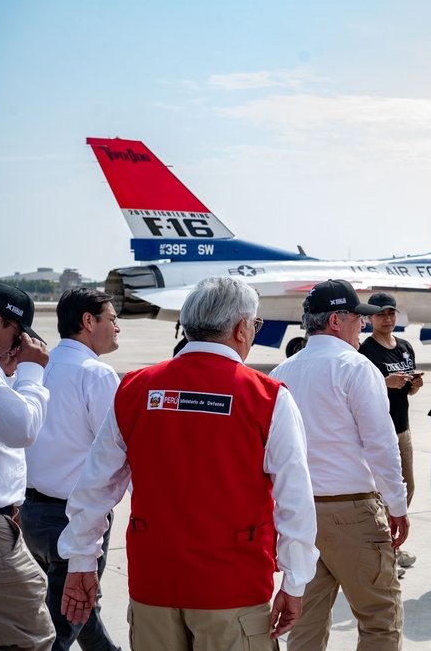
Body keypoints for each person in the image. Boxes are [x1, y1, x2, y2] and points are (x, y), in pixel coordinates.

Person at [59, 276, 318, 649]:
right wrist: (295, 582)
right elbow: (295, 499)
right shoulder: (267, 397)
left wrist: (82, 561)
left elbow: (95, 486)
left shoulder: (135, 388)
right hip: (233, 589)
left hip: (154, 585)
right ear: (242, 328)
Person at [270, 279, 409, 650]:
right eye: (356, 319)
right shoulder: (356, 367)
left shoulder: (280, 373)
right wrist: (397, 506)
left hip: (298, 514)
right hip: (353, 512)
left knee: (305, 624)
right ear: (335, 321)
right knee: (380, 619)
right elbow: (381, 445)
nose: (362, 325)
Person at [23, 288, 123, 651]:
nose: (117, 328)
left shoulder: (37, 367)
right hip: (73, 520)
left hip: (30, 514)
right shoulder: (96, 374)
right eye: (112, 319)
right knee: (64, 624)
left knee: (81, 608)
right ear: (88, 322)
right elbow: (116, 452)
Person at [0, 284, 54, 651]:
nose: (18, 348)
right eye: (17, 337)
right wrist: (31, 373)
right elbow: (22, 428)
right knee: (30, 639)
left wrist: (5, 371)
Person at [358, 292, 423, 569]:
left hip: (403, 429)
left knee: (405, 490)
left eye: (391, 313)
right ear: (370, 318)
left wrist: (413, 385)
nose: (387, 319)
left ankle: (393, 548)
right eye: (381, 314)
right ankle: (385, 555)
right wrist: (385, 382)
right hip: (379, 432)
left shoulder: (405, 346)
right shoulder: (366, 351)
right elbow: (361, 389)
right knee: (382, 494)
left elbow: (407, 388)